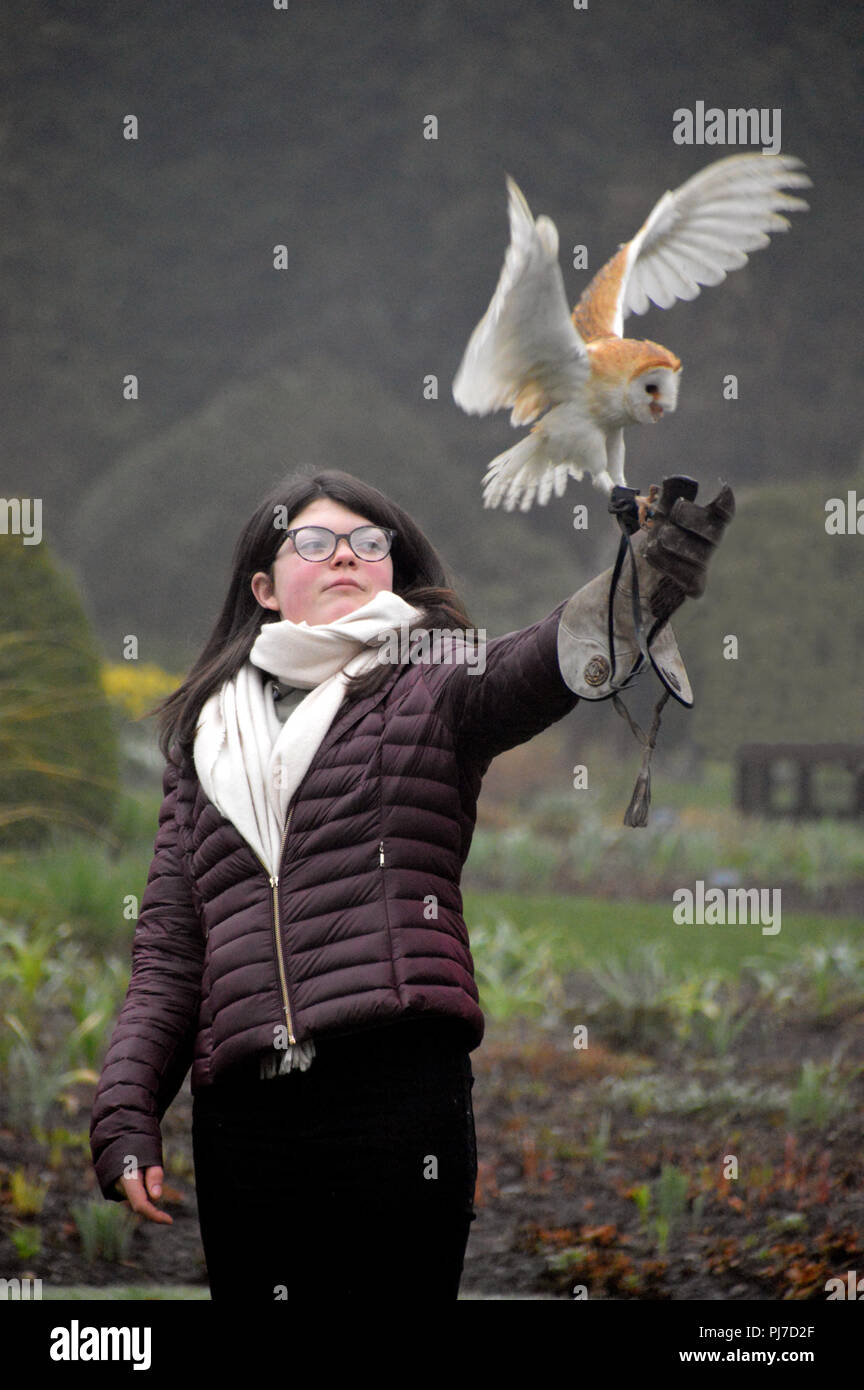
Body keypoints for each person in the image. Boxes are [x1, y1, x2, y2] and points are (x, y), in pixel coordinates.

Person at [89, 467, 733, 1300]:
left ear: (393, 566)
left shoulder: (431, 682)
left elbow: (535, 662)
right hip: (244, 1120)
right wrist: (126, 1115)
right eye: (313, 542)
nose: (346, 556)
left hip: (394, 1095)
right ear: (266, 585)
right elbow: (171, 957)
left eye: (369, 541)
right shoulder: (203, 743)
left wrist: (638, 590)